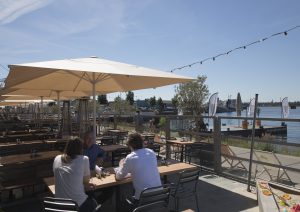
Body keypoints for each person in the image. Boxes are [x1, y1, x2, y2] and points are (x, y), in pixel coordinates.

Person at [53, 138, 97, 212]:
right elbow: (86, 182)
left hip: (58, 206)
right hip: (76, 206)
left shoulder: (57, 158)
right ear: (81, 149)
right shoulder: (84, 159)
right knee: (94, 202)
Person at [115, 133, 162, 200]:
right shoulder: (151, 152)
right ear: (142, 143)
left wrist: (120, 165)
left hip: (143, 199)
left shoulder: (130, 157)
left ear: (130, 145)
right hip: (160, 195)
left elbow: (118, 177)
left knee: (122, 201)